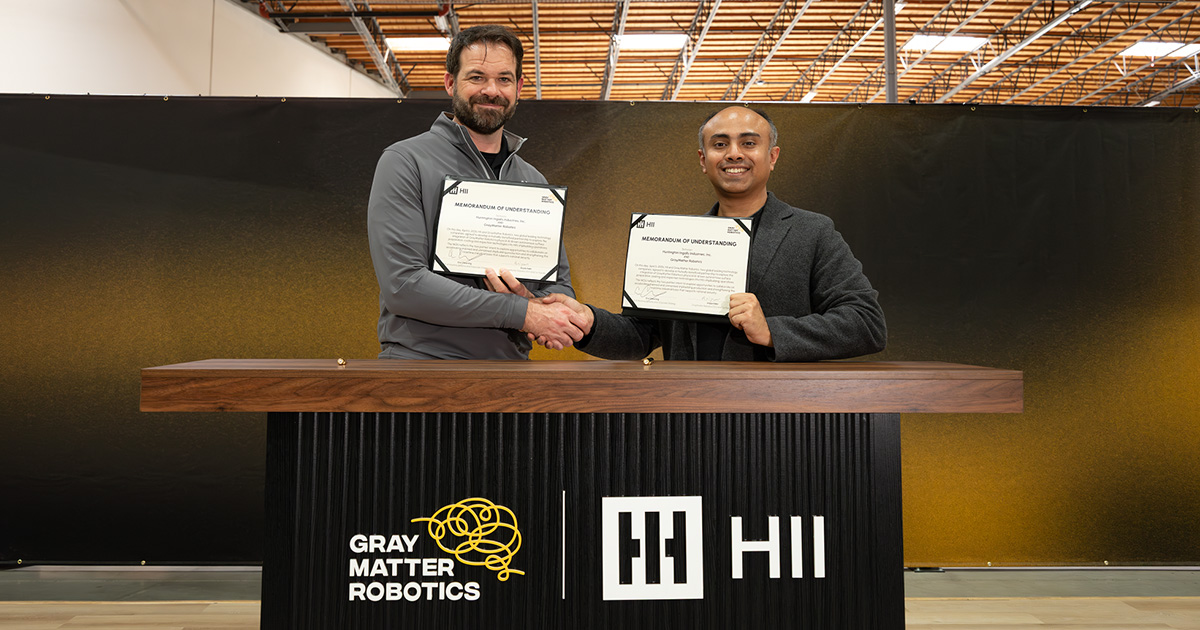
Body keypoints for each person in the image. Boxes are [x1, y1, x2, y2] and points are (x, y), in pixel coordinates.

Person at [494, 106, 885, 361]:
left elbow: (866, 324)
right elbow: (639, 336)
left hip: (779, 420)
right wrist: (587, 319)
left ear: (773, 156)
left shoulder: (811, 233)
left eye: (749, 143)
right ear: (704, 160)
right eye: (720, 144)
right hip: (691, 417)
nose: (734, 153)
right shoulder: (675, 242)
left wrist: (772, 331)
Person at [367, 25, 586, 360]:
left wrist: (537, 304)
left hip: (510, 373)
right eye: (477, 77)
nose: (491, 90)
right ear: (450, 83)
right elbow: (404, 287)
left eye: (504, 79)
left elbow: (559, 284)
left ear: (519, 87)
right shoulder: (405, 161)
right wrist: (524, 313)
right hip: (420, 369)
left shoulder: (533, 180)